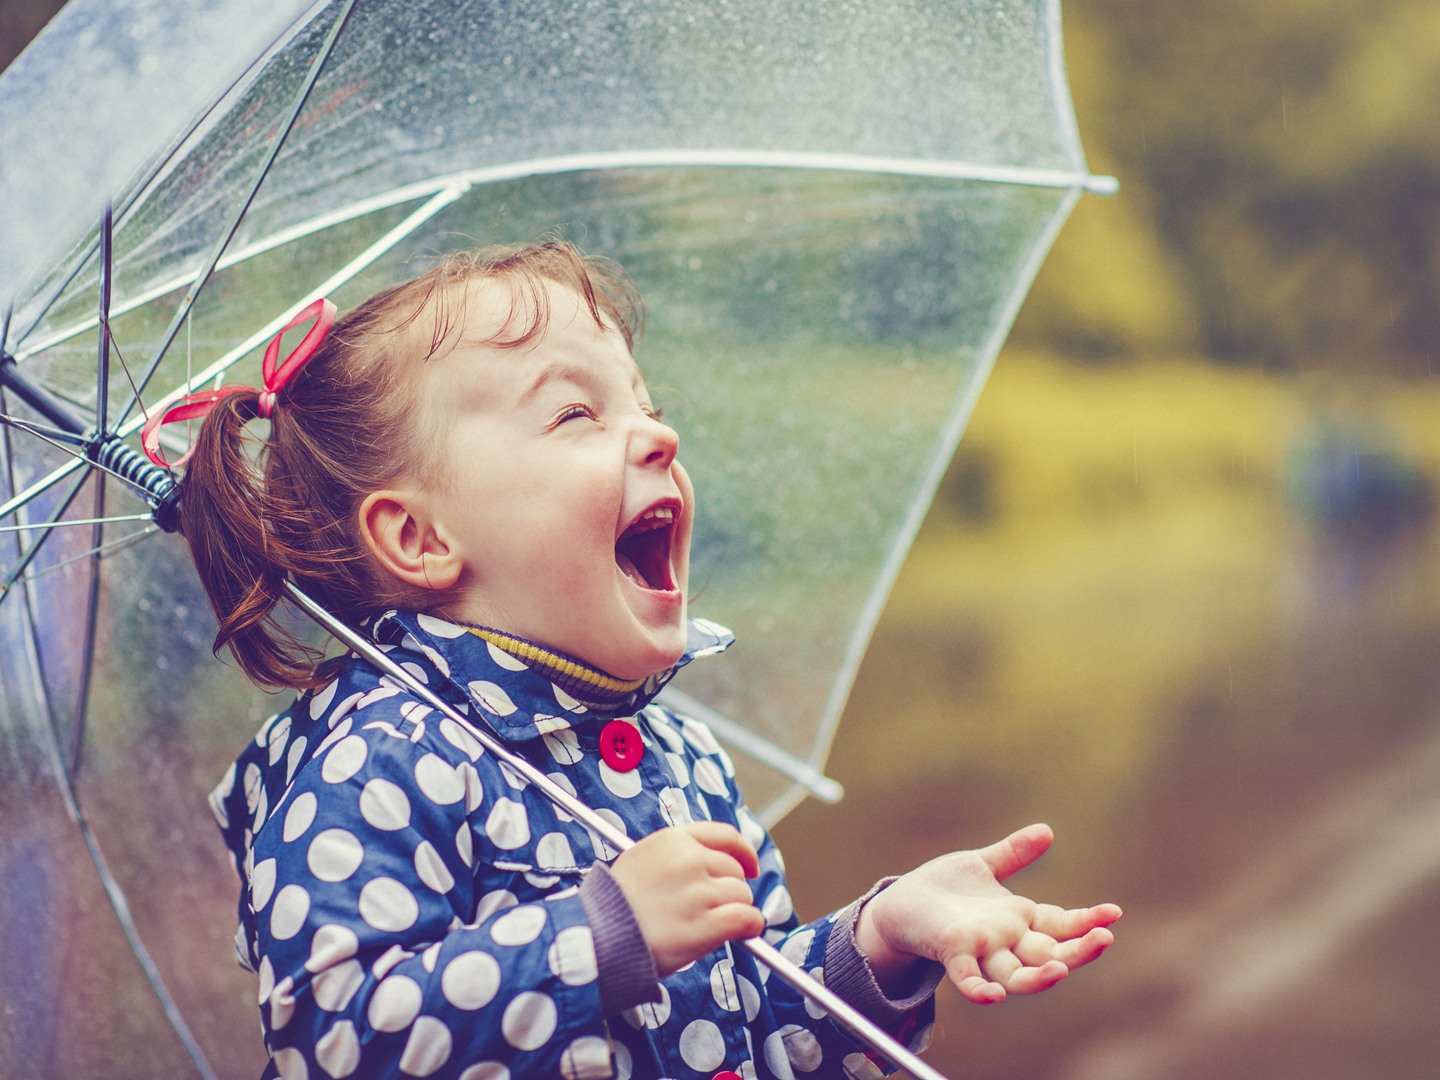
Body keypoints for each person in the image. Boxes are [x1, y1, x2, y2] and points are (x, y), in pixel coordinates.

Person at [175, 241, 1121, 1080]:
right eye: (575, 414)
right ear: (419, 537)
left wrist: (882, 939)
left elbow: (765, 1029)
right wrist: (602, 935)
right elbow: (333, 1042)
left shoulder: (680, 759)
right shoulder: (375, 761)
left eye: (647, 403)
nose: (659, 435)